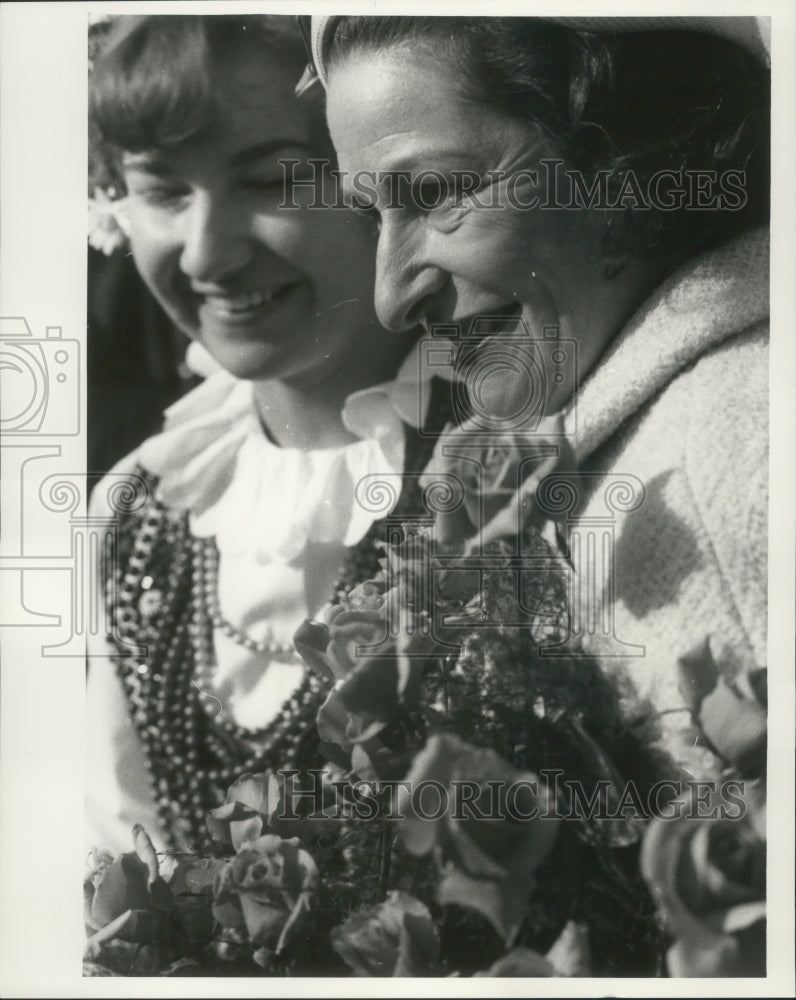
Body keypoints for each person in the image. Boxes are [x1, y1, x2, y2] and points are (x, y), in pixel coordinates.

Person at [307, 15, 770, 781]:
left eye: (435, 193)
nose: (391, 298)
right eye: (373, 214)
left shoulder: (731, 456)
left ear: (622, 161)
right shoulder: (637, 422)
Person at [85, 15, 446, 853]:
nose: (207, 255)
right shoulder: (138, 509)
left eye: (272, 182)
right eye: (164, 191)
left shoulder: (509, 467)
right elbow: (108, 855)